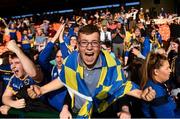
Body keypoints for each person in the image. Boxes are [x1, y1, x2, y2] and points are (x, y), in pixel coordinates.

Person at [28, 24, 155, 118]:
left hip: (103, 113)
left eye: (94, 43)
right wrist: (42, 90)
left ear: (100, 45)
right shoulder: (71, 61)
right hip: (78, 113)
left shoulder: (112, 64)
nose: (89, 47)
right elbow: (64, 80)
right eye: (84, 43)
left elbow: (121, 87)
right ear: (78, 45)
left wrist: (141, 94)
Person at [140, 52, 179, 118]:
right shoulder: (155, 91)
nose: (170, 70)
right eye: (167, 68)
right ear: (156, 72)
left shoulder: (155, 83)